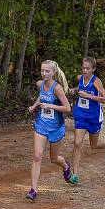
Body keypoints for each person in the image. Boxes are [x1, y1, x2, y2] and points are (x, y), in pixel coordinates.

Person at [26, 60, 72, 200]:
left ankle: (65, 166)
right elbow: (41, 96)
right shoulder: (40, 84)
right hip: (41, 125)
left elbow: (68, 108)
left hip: (56, 128)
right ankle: (33, 190)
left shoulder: (57, 88)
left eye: (47, 71)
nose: (44, 73)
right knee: (37, 156)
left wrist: (50, 106)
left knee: (53, 158)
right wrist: (34, 106)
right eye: (42, 71)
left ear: (53, 73)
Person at [69, 57, 105, 185]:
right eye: (83, 68)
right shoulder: (80, 78)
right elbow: (80, 86)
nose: (85, 71)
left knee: (94, 145)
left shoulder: (96, 82)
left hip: (94, 117)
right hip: (81, 115)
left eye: (88, 69)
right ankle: (75, 175)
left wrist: (90, 96)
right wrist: (74, 90)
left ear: (93, 69)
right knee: (77, 143)